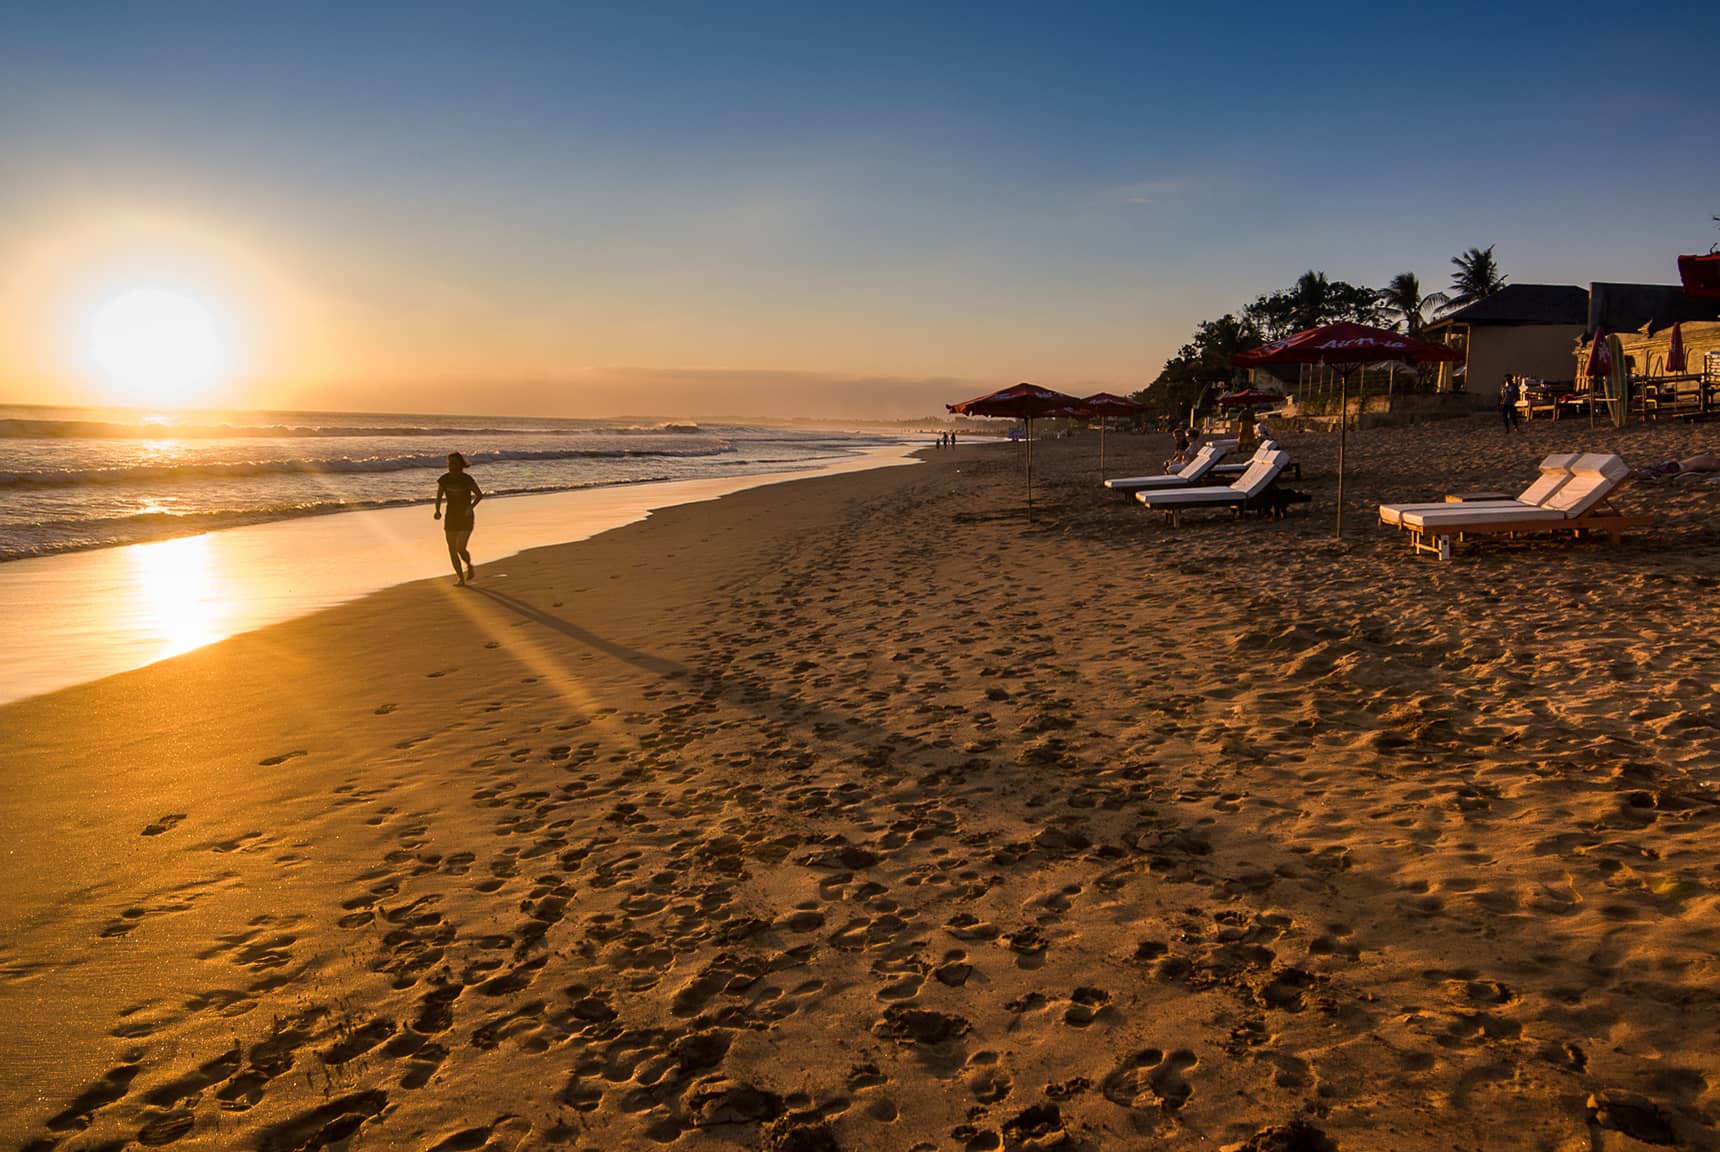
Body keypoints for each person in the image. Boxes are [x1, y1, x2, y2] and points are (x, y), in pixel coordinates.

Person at [433, 452, 483, 586]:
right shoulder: (444, 479)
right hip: (451, 516)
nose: (451, 466)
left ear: (460, 465)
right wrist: (437, 510)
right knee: (451, 549)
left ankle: (469, 565)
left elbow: (479, 495)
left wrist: (470, 507)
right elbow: (438, 497)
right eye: (449, 463)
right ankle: (460, 578)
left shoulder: (466, 479)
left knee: (460, 547)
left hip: (465, 517)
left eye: (454, 463)